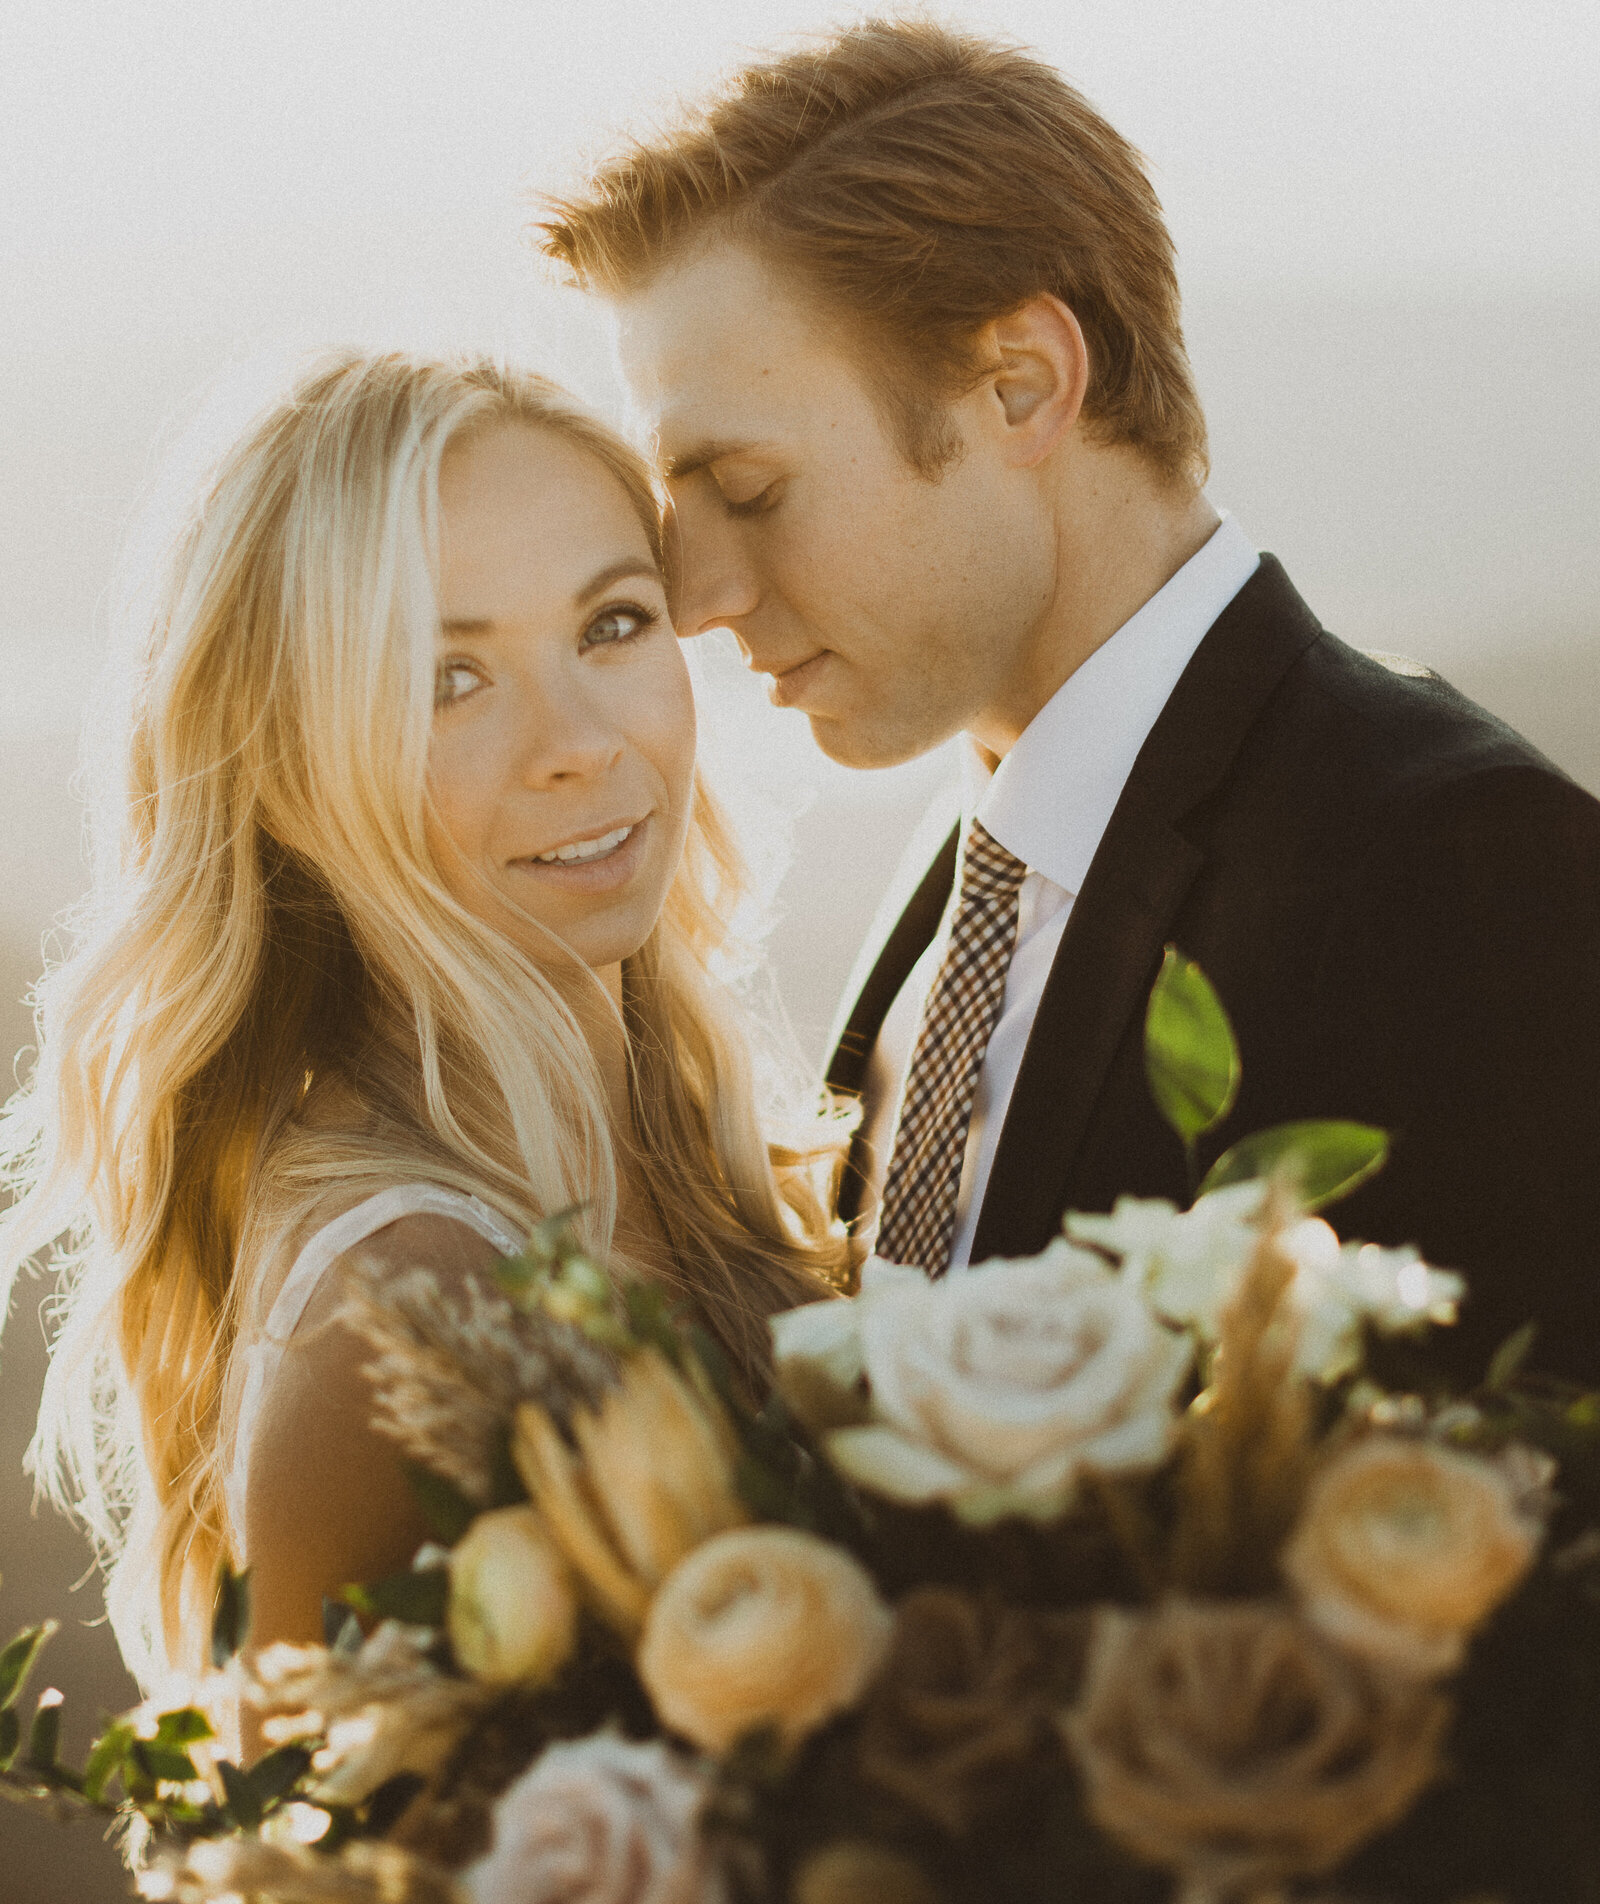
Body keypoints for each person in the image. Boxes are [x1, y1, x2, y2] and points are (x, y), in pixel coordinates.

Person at [539, 16, 1600, 1387]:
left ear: (1020, 385)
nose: (698, 597)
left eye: (750, 491)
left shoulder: (1452, 866)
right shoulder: (973, 849)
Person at [0, 352, 846, 1683]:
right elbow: (316, 1889)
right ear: (290, 770)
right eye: (446, 681)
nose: (575, 740)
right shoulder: (402, 1314)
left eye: (612, 624)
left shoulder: (706, 1157)